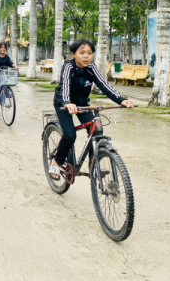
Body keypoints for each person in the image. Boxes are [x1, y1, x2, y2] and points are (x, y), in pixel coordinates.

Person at [50, 38, 134, 179]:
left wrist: (122, 100)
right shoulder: (69, 66)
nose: (86, 56)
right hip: (63, 104)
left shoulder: (92, 67)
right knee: (70, 135)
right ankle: (56, 161)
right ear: (73, 54)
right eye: (82, 53)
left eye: (89, 53)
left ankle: (94, 165)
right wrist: (66, 102)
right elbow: (64, 85)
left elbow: (104, 85)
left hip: (83, 104)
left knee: (95, 131)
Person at [0, 42, 18, 113]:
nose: (3, 49)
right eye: (1, 47)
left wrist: (15, 66)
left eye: (4, 48)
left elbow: (11, 63)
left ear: (6, 49)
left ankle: (6, 92)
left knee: (7, 86)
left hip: (4, 76)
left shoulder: (7, 57)